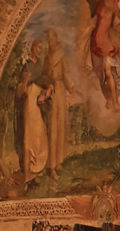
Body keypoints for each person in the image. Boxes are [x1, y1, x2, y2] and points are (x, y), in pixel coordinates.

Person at [14, 39, 51, 184]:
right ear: (31, 48)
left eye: (41, 48)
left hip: (37, 105)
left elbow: (46, 83)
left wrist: (46, 91)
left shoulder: (39, 66)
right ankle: (28, 174)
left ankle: (37, 170)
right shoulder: (25, 65)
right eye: (37, 47)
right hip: (28, 104)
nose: (39, 50)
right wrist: (25, 81)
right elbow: (19, 90)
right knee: (29, 137)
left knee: (40, 135)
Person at [43, 30, 76, 180]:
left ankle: (58, 162)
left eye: (51, 39)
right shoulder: (46, 56)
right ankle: (51, 167)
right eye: (48, 39)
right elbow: (44, 75)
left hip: (61, 91)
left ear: (56, 39)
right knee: (52, 130)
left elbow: (66, 73)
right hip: (52, 91)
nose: (50, 42)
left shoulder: (62, 54)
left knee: (61, 127)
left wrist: (71, 86)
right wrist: (48, 86)